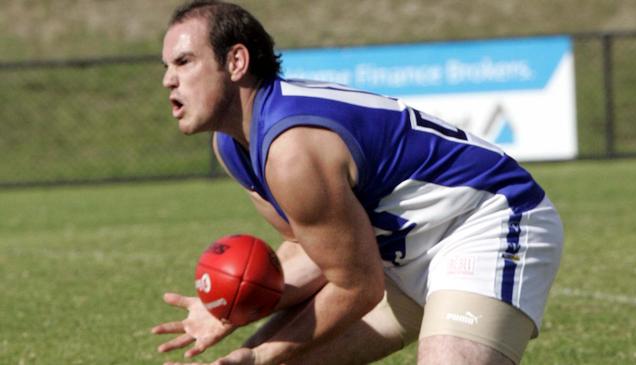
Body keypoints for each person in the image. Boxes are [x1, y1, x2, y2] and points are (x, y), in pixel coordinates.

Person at [151, 1, 564, 364]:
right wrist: (232, 308)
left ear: (236, 62)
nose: (169, 79)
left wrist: (260, 351)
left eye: (184, 62)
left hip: (486, 222)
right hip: (399, 256)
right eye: (167, 66)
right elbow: (312, 250)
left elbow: (357, 286)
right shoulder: (231, 146)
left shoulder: (292, 150)